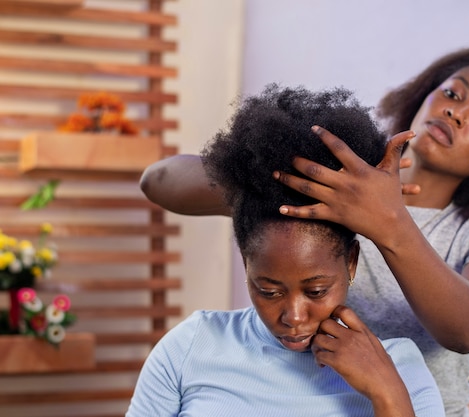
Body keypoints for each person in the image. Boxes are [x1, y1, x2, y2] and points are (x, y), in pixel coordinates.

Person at [139, 46, 469, 417]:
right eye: (453, 94)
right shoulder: (336, 185)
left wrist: (387, 220)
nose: (456, 114)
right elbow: (158, 181)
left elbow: (467, 329)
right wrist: (280, 174)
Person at [127, 85, 445, 417]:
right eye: (269, 290)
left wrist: (387, 394)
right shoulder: (192, 345)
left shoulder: (399, 367)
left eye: (316, 290)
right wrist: (258, 188)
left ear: (351, 263)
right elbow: (157, 178)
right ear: (246, 263)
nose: (293, 317)